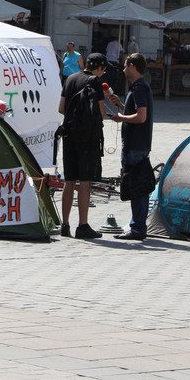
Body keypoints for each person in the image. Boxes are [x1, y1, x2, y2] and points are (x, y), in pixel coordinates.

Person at [58, 53, 108, 239]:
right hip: (88, 138)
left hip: (69, 135)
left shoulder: (70, 79)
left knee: (69, 180)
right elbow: (101, 112)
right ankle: (83, 225)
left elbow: (61, 108)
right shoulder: (94, 81)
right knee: (85, 181)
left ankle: (65, 224)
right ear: (100, 68)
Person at [109, 53, 154, 241]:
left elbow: (141, 116)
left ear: (133, 67)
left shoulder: (138, 88)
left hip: (136, 144)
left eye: (126, 66)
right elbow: (135, 113)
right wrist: (120, 105)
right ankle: (137, 224)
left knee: (137, 186)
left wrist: (121, 118)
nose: (124, 69)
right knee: (139, 186)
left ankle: (137, 227)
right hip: (138, 143)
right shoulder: (140, 87)